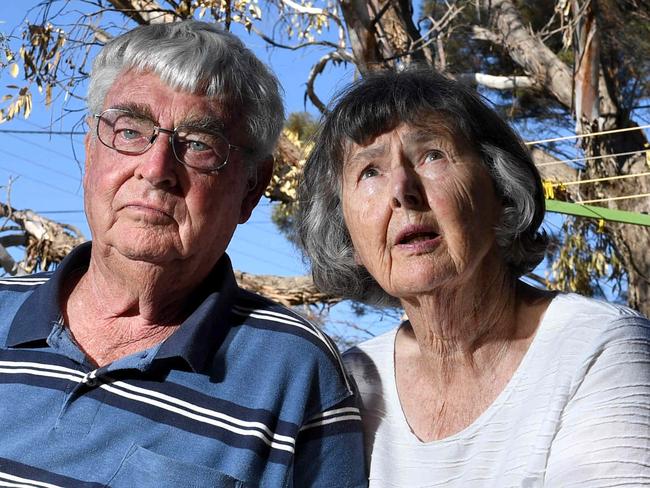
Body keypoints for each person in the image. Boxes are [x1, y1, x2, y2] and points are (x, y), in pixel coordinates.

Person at [0, 21, 366, 488]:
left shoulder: (296, 375)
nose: (156, 170)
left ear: (252, 188)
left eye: (198, 145)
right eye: (130, 130)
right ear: (90, 153)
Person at [296, 68, 650, 486]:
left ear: (501, 190)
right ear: (349, 236)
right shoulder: (350, 382)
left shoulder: (598, 346)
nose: (402, 189)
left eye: (431, 155)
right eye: (369, 171)